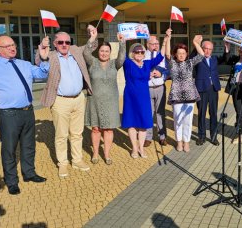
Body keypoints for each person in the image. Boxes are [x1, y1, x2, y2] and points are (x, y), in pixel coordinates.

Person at [0, 36, 49, 195]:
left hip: (28, 111)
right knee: (9, 149)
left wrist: (44, 58)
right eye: (7, 46)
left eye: (13, 44)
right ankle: (11, 181)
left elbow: (42, 73)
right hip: (8, 115)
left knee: (28, 146)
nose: (12, 48)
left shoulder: (24, 64)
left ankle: (29, 174)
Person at [37, 28, 98, 178]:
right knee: (61, 135)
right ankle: (63, 163)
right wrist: (41, 52)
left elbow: (90, 47)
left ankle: (77, 160)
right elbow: (39, 62)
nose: (64, 45)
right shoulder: (50, 56)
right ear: (55, 43)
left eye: (67, 42)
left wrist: (93, 37)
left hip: (78, 99)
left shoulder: (76, 51)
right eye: (61, 42)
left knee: (77, 133)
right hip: (60, 101)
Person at [84, 32, 126, 165]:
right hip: (94, 101)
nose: (104, 53)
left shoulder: (115, 64)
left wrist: (122, 43)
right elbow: (86, 53)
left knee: (108, 129)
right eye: (102, 51)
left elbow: (122, 57)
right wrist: (92, 38)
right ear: (98, 52)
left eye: (107, 51)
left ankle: (107, 154)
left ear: (110, 52)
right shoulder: (92, 62)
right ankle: (95, 153)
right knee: (96, 128)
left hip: (111, 102)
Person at [121, 36, 166, 159]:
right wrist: (121, 41)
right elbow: (121, 55)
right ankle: (134, 149)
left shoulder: (146, 64)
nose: (140, 53)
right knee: (131, 123)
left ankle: (141, 148)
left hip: (144, 97)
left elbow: (160, 57)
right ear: (132, 53)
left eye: (142, 52)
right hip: (130, 97)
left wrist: (166, 40)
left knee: (143, 123)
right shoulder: (128, 63)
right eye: (137, 51)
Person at [166, 34, 205, 152]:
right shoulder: (172, 63)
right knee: (178, 120)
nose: (181, 55)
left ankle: (186, 142)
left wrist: (196, 43)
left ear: (186, 54)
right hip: (177, 96)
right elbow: (167, 54)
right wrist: (168, 38)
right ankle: (179, 142)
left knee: (188, 120)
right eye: (179, 53)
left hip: (190, 96)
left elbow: (202, 55)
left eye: (183, 53)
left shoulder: (189, 63)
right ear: (176, 54)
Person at [192, 40, 222, 146]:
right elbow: (191, 57)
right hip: (201, 89)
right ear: (202, 48)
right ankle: (201, 136)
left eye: (210, 49)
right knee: (202, 113)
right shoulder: (198, 59)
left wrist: (227, 49)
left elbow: (226, 59)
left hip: (213, 89)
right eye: (206, 48)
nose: (208, 51)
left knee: (213, 113)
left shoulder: (214, 59)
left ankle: (213, 137)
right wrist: (195, 44)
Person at [143, 33, 169, 147]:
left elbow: (169, 70)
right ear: (147, 44)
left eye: (157, 43)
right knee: (149, 113)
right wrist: (146, 74)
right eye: (153, 44)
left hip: (160, 88)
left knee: (160, 113)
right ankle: (148, 137)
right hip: (147, 88)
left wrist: (161, 73)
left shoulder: (162, 55)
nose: (155, 45)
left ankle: (162, 136)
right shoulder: (142, 55)